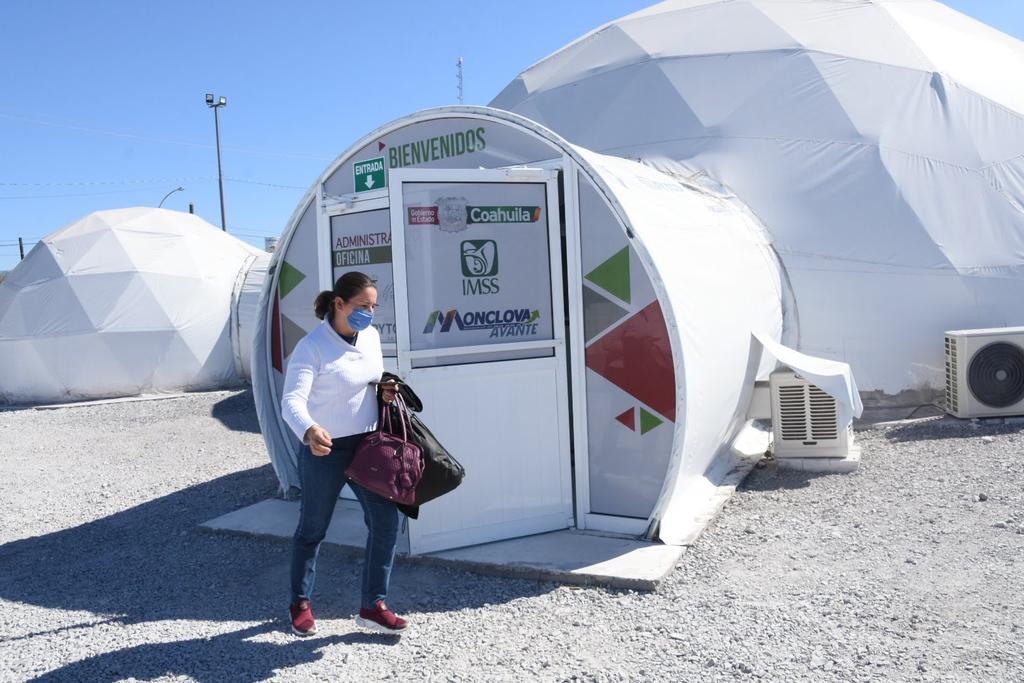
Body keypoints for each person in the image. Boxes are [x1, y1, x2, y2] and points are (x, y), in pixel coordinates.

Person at [280, 271, 407, 636]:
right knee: (313, 529)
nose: (369, 313)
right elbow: (291, 401)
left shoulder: (371, 337)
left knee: (386, 523)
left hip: (368, 446)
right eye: (362, 306)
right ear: (338, 303)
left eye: (373, 307)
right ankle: (300, 603)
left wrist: (384, 389)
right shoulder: (312, 347)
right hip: (326, 450)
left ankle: (372, 606)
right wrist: (309, 429)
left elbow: (370, 379)